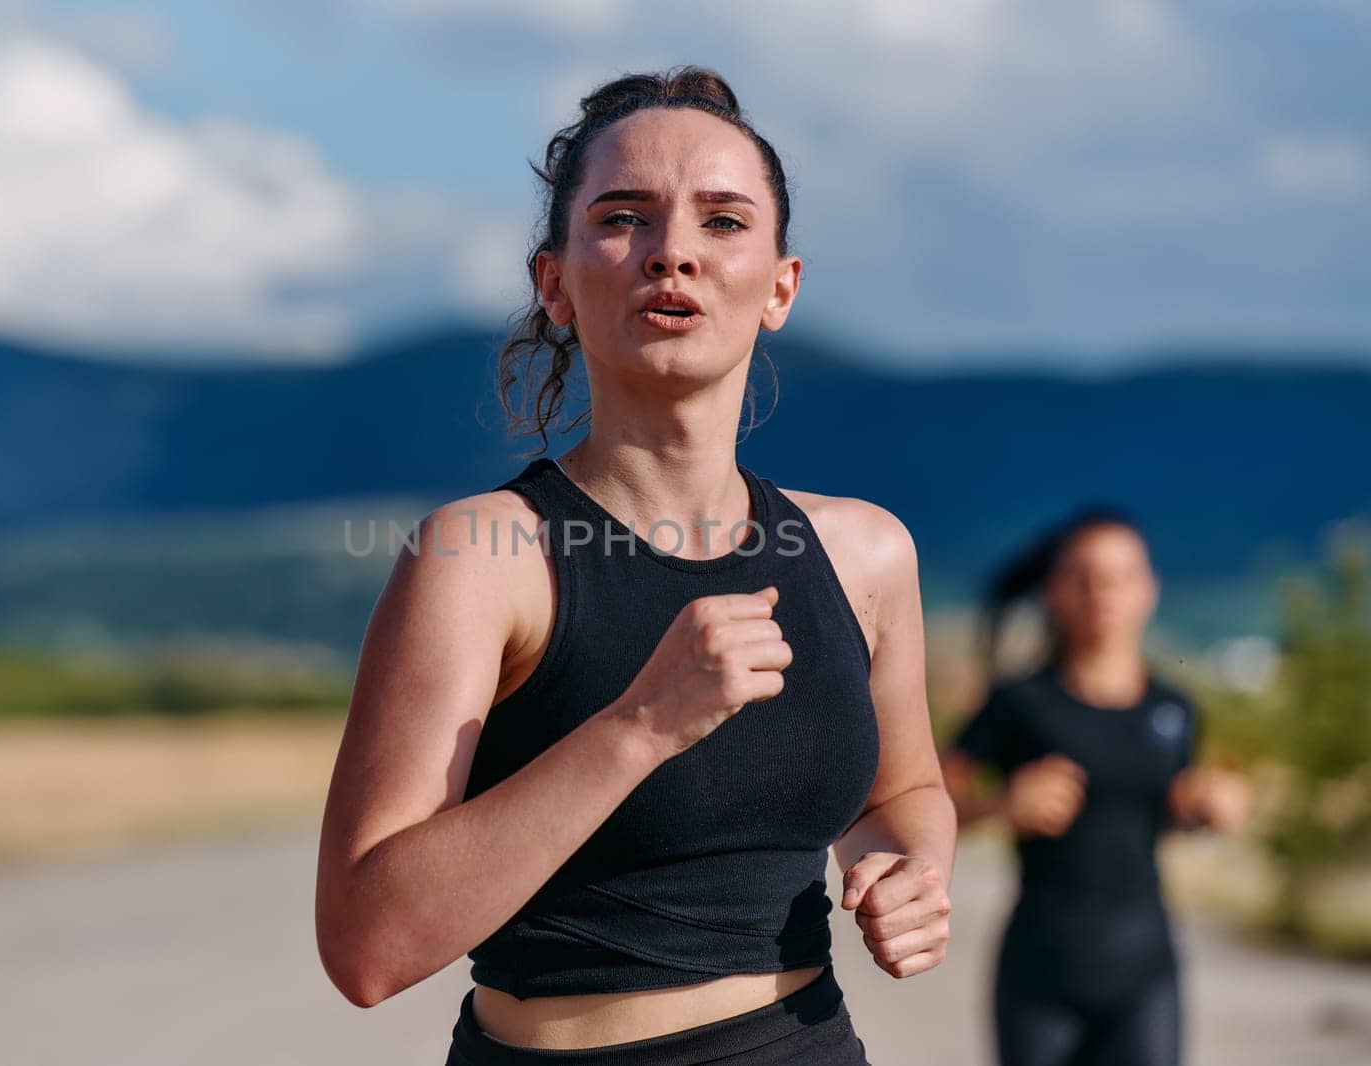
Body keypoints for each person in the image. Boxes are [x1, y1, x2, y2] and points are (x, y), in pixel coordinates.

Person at [316, 65, 956, 1065]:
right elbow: (366, 945)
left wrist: (910, 862)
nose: (672, 254)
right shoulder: (481, 559)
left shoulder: (863, 552)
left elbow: (903, 794)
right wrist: (641, 725)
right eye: (623, 218)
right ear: (555, 283)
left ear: (781, 286)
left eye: (722, 221)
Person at [942, 507, 1252, 1066]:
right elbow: (923, 805)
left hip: (1146, 967)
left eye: (1120, 576)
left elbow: (1159, 819)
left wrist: (1204, 811)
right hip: (1042, 967)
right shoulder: (1020, 703)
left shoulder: (1173, 710)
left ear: (1148, 589)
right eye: (1081, 576)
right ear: (1053, 591)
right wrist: (1002, 805)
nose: (1101, 592)